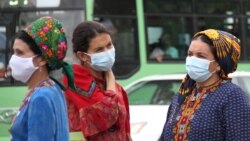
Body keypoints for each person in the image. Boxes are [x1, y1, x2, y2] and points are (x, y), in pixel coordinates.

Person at [159, 29, 250, 141]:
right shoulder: (183, 94)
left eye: (201, 56)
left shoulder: (232, 96)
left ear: (218, 64)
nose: (192, 60)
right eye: (190, 54)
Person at [63, 21, 132, 141]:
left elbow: (125, 131)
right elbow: (107, 113)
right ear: (82, 56)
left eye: (109, 45)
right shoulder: (75, 77)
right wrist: (110, 76)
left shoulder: (117, 88)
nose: (107, 52)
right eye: (99, 50)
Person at [9, 16, 70, 141]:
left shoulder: (40, 97)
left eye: (20, 53)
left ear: (41, 59)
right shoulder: (52, 87)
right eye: (14, 52)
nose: (13, 59)